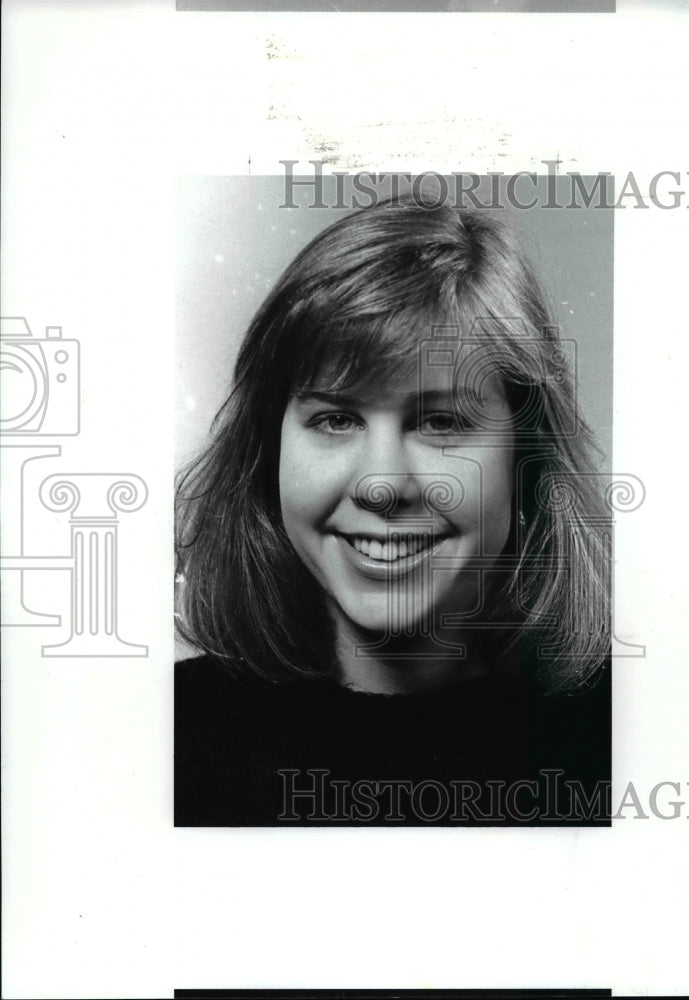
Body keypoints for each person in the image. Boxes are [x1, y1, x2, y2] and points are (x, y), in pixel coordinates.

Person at [175, 191, 611, 826]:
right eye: (335, 418)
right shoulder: (151, 747)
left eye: (440, 422)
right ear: (267, 452)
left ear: (529, 455)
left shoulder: (678, 737)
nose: (381, 486)